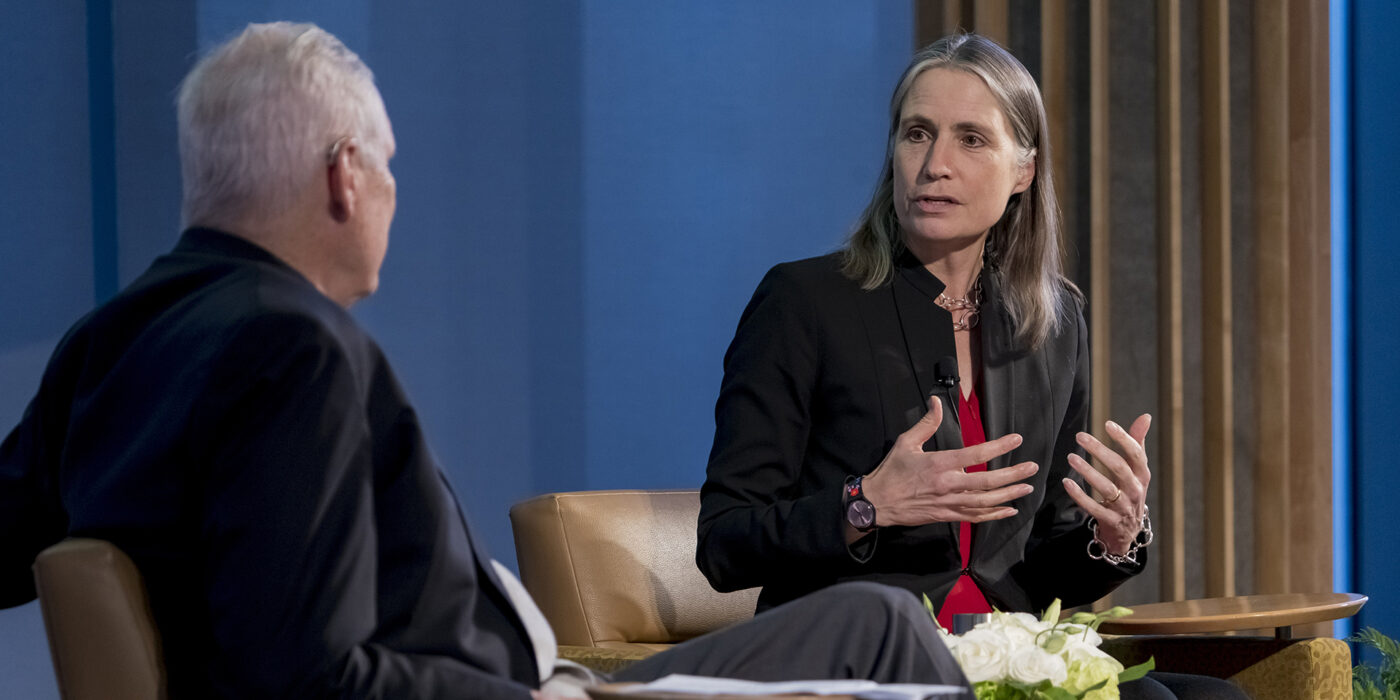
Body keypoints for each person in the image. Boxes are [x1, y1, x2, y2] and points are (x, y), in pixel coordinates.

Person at [0, 22, 974, 700]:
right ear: (345, 173)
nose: (390, 193)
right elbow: (309, 677)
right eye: (386, 166)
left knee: (870, 618)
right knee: (884, 626)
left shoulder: (107, 341)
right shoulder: (292, 348)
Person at [697, 34, 1244, 700]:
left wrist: (1112, 536)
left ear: (1024, 170)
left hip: (997, 654)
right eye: (917, 134)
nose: (935, 165)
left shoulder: (1056, 322)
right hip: (863, 658)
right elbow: (724, 543)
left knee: (1219, 696)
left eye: (971, 139)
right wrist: (866, 505)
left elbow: (1039, 566)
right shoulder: (804, 303)